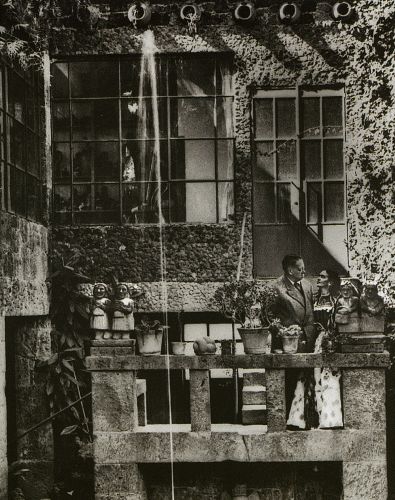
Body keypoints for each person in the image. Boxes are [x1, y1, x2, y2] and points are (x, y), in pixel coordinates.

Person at [271, 254, 315, 352]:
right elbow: (269, 317)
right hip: (287, 343)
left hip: (308, 342)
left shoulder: (308, 285)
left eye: (304, 268)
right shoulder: (276, 288)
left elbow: (310, 312)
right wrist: (283, 333)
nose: (304, 272)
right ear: (290, 271)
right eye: (300, 269)